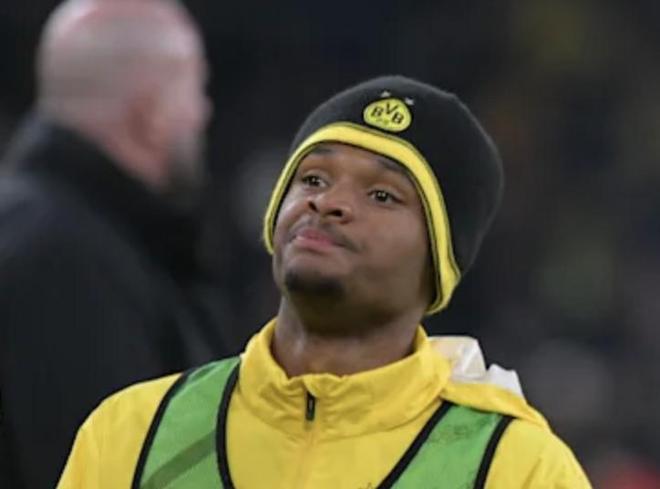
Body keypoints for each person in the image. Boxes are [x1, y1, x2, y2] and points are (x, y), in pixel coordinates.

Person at [57, 76, 592, 488]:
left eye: (382, 195)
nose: (328, 202)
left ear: (439, 259)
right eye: (312, 178)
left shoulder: (517, 469)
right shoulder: (134, 433)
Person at [0, 1, 230, 487]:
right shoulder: (64, 265)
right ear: (151, 114)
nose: (203, 113)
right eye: (198, 89)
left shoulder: (70, 235)